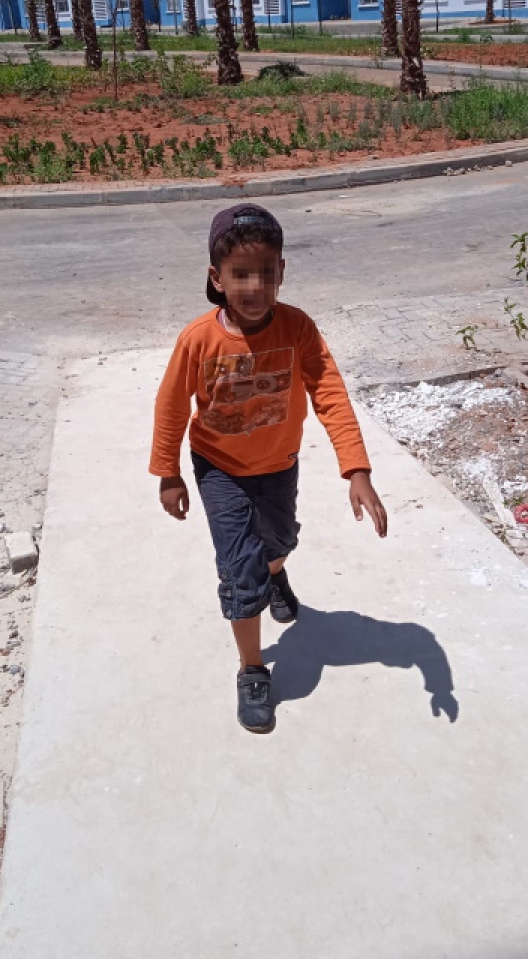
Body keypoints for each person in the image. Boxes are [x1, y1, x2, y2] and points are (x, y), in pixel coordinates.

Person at [150, 203, 387, 734]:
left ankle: (276, 575)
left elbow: (329, 392)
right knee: (240, 570)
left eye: (265, 272)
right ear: (217, 278)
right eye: (240, 274)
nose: (254, 287)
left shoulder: (298, 327)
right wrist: (168, 471)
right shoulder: (198, 339)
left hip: (279, 463)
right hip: (220, 468)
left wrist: (356, 469)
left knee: (278, 542)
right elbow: (171, 407)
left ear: (281, 271)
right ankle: (252, 668)